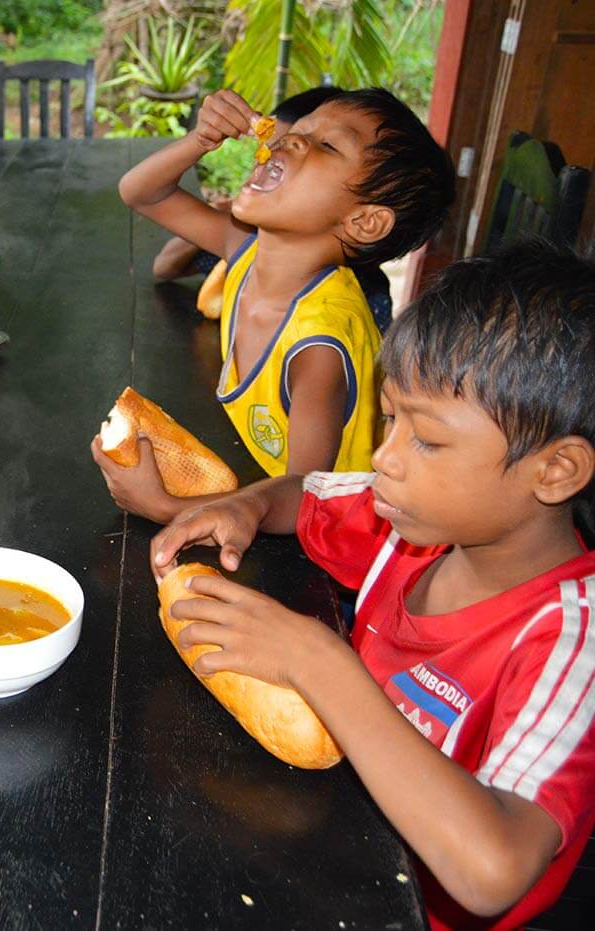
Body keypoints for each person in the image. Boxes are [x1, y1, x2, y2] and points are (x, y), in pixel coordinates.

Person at [150, 240, 595, 931]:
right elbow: (303, 493)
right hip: (333, 841)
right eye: (391, 419)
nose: (384, 458)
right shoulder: (414, 523)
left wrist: (318, 660)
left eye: (428, 440)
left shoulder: (569, 641)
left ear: (557, 470)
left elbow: (491, 872)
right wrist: (243, 505)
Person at [96, 87, 454, 523]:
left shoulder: (318, 348)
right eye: (299, 131)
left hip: (325, 552)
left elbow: (307, 497)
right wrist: (201, 139)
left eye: (327, 144)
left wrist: (166, 507)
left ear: (364, 221)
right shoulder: (245, 250)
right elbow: (141, 193)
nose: (291, 139)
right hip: (252, 480)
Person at [151, 87, 395, 333]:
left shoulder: (355, 305)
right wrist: (219, 206)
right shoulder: (248, 241)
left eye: (328, 145)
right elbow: (164, 266)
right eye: (271, 146)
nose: (275, 154)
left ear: (363, 220)